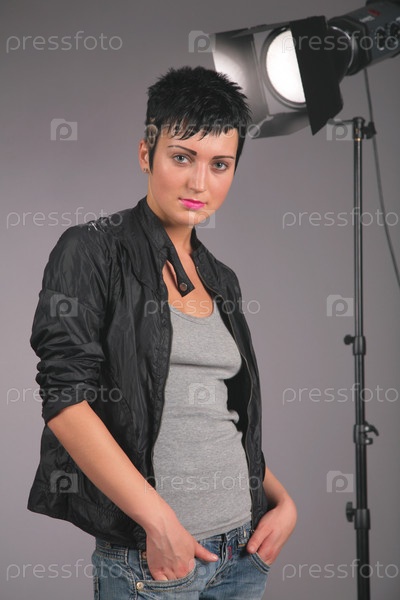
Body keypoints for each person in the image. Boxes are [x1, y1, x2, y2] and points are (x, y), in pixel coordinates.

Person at [27, 65, 297, 599]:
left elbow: (223, 414)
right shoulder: (92, 250)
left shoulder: (221, 277)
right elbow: (65, 401)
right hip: (156, 556)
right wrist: (159, 522)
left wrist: (283, 501)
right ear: (146, 153)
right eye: (182, 157)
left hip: (242, 552)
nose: (200, 183)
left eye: (220, 164)